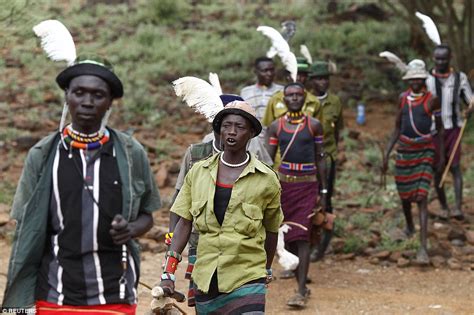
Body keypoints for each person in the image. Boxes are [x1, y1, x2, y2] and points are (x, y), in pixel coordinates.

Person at [2, 55, 161, 313]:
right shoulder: (43, 154)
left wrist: (131, 229)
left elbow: (148, 216)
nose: (87, 102)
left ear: (110, 102)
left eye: (98, 95)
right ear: (67, 96)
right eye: (79, 93)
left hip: (115, 291)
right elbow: (27, 225)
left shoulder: (131, 154)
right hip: (54, 291)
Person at [160, 101, 283, 314]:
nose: (231, 132)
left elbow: (271, 230)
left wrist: (266, 269)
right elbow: (184, 223)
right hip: (206, 276)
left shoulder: (267, 179)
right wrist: (168, 273)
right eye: (226, 125)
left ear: (252, 132)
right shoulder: (198, 172)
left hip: (248, 276)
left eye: (240, 127)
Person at [169, 94, 245, 308]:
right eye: (223, 122)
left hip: (238, 244)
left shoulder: (249, 156)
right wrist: (170, 242)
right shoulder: (196, 154)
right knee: (206, 303)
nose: (229, 130)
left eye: (236, 124)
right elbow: (179, 201)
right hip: (199, 241)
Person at [266, 82, 327, 308]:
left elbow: (320, 157)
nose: (294, 98)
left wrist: (324, 190)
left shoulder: (314, 125)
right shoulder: (276, 126)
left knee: (302, 236)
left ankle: (300, 290)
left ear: (304, 97)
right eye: (289, 95)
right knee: (288, 234)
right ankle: (300, 279)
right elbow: (268, 160)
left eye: (298, 95)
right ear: (284, 98)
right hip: (284, 187)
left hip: (308, 187)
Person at [383, 60, 442, 264]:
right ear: (408, 81)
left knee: (422, 197)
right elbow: (397, 127)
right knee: (405, 195)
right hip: (405, 150)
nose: (415, 82)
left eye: (419, 79)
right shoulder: (403, 99)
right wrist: (386, 153)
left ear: (423, 79)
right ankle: (409, 226)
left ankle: (423, 248)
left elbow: (440, 130)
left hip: (425, 151)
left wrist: (440, 157)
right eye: (412, 79)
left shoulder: (432, 100)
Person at [426, 44, 474, 220]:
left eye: (443, 59)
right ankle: (444, 207)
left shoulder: (460, 78)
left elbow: (470, 100)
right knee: (438, 169)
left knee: (454, 167)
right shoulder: (427, 80)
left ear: (450, 58)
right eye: (437, 58)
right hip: (434, 131)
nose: (440, 62)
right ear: (433, 58)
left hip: (453, 129)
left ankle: (458, 208)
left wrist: (470, 109)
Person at [307, 61, 344, 261]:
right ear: (312, 81)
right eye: (319, 79)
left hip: (327, 159)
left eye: (326, 79)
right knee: (307, 200)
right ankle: (307, 240)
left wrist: (332, 156)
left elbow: (336, 132)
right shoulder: (305, 102)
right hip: (306, 160)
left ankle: (323, 244)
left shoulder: (335, 102)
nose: (323, 82)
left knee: (325, 199)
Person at [262, 58, 322, 127]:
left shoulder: (314, 102)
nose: (298, 78)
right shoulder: (275, 99)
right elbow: (267, 127)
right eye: (294, 74)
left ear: (306, 77)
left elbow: (319, 129)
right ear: (288, 76)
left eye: (302, 75)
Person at [240, 57, 284, 122]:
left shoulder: (282, 91)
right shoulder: (245, 92)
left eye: (271, 70)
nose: (269, 74)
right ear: (256, 72)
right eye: (265, 70)